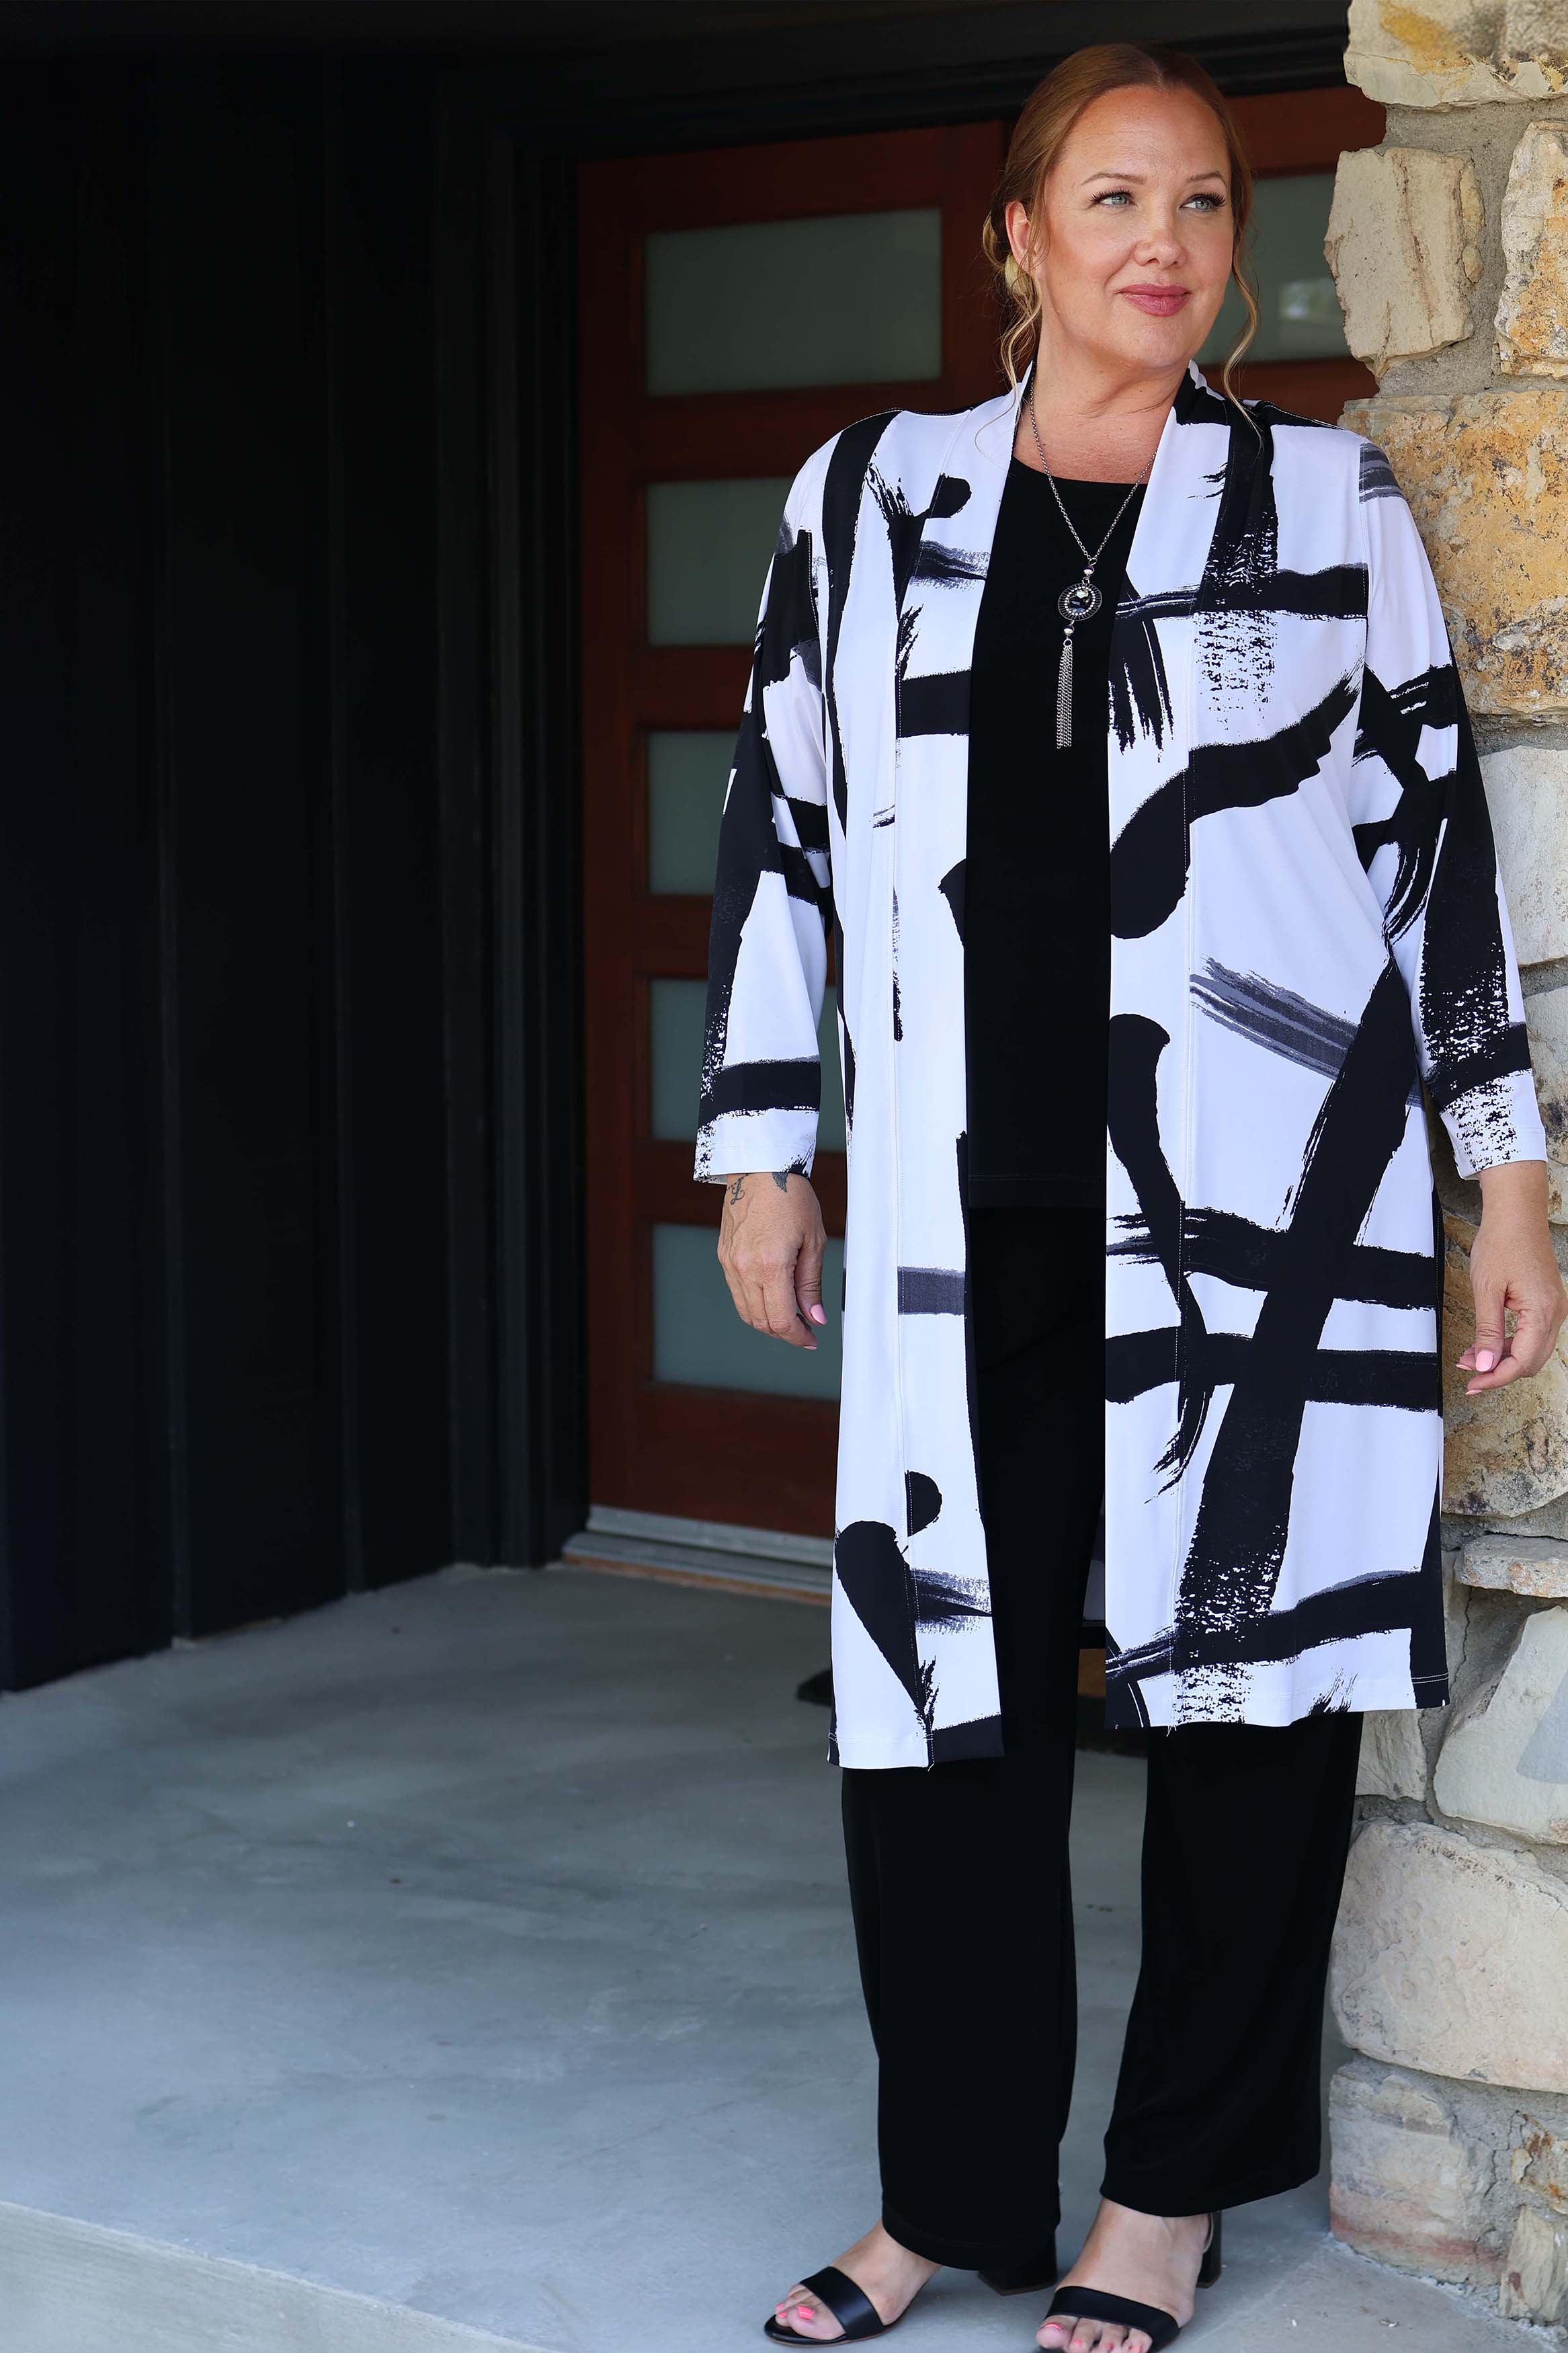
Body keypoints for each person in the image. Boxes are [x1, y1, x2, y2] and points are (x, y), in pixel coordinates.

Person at [694, 41, 1565, 2353]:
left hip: (1265, 1212)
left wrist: (1506, 1174)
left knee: (1251, 1698)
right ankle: (947, 2194)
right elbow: (778, 831)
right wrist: (765, 1144)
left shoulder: (1329, 502)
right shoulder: (870, 501)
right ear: (1016, 240)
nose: (1162, 240)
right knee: (939, 1702)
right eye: (1111, 197)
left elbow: (1431, 856)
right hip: (956, 1218)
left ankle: (1166, 2198)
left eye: (1200, 200)